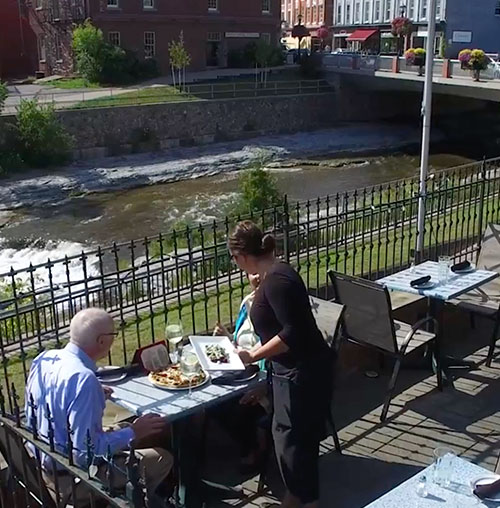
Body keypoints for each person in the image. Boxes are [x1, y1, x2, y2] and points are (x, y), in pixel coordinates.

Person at [228, 221, 333, 508]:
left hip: (302, 373)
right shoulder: (271, 276)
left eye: (233, 259)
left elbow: (291, 334)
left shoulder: (277, 281)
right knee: (289, 439)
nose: (235, 265)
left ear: (241, 256)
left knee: (294, 442)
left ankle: (299, 501)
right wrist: (257, 288)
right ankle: (296, 499)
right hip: (291, 371)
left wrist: (253, 355)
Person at [25, 308, 173, 504]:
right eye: (113, 334)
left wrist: (92, 393)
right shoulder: (83, 379)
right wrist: (134, 432)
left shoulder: (44, 358)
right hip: (71, 476)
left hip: (44, 458)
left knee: (154, 430)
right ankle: (131, 500)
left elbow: (58, 399)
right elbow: (84, 454)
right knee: (163, 458)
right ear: (102, 341)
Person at [212, 273, 270, 472]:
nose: (257, 277)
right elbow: (242, 343)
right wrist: (227, 338)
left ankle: (255, 452)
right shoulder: (247, 303)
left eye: (261, 272)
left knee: (239, 409)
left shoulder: (277, 309)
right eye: (252, 273)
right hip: (242, 374)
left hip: (266, 380)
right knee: (211, 404)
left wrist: (265, 386)